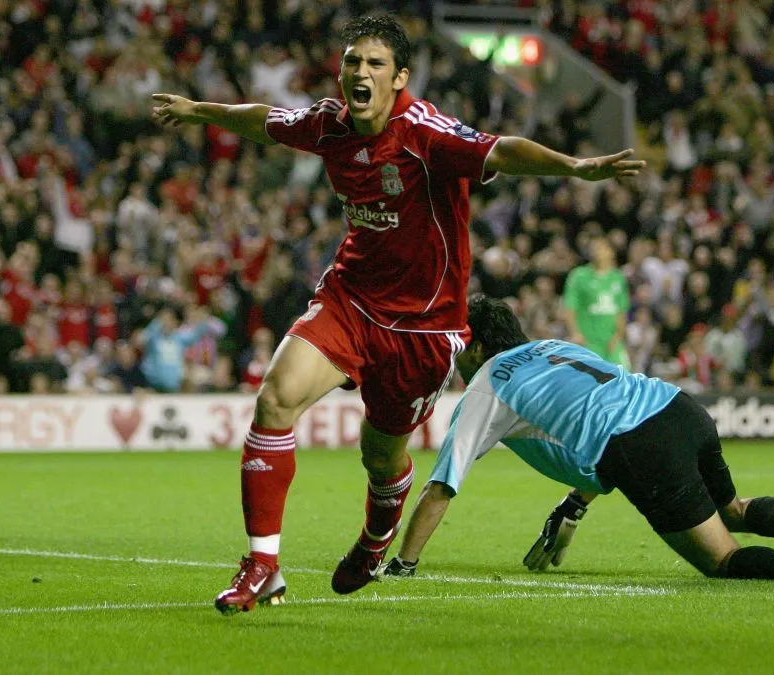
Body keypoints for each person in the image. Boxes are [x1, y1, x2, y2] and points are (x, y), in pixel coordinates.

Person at [151, 15, 645, 613]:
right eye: (352, 62)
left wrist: (574, 167)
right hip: (350, 299)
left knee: (381, 456)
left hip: (424, 328)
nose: (359, 72)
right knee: (275, 398)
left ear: (399, 77)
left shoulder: (426, 132)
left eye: (374, 64)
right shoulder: (329, 123)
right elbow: (263, 120)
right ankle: (262, 565)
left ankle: (378, 531)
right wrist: (201, 110)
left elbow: (501, 151)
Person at [382, 295, 774, 585]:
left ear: (475, 346)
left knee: (720, 559)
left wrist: (402, 564)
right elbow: (593, 411)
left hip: (639, 444)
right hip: (679, 407)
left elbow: (442, 485)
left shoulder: (489, 381)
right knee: (732, 508)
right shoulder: (554, 346)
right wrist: (574, 504)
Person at [563, 236, 631, 367]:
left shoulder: (618, 278)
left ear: (610, 252)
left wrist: (618, 336)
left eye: (600, 247)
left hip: (611, 342)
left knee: (625, 378)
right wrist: (575, 334)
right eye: (592, 248)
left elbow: (621, 311)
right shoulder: (579, 276)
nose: (595, 251)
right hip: (588, 342)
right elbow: (570, 308)